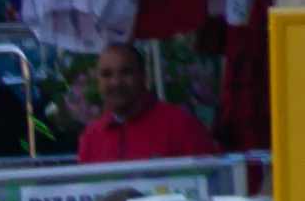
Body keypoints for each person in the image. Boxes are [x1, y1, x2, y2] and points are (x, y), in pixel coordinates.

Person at [78, 40, 216, 163]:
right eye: (107, 75)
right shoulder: (90, 137)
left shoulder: (182, 126)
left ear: (143, 75)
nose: (116, 82)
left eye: (125, 72)